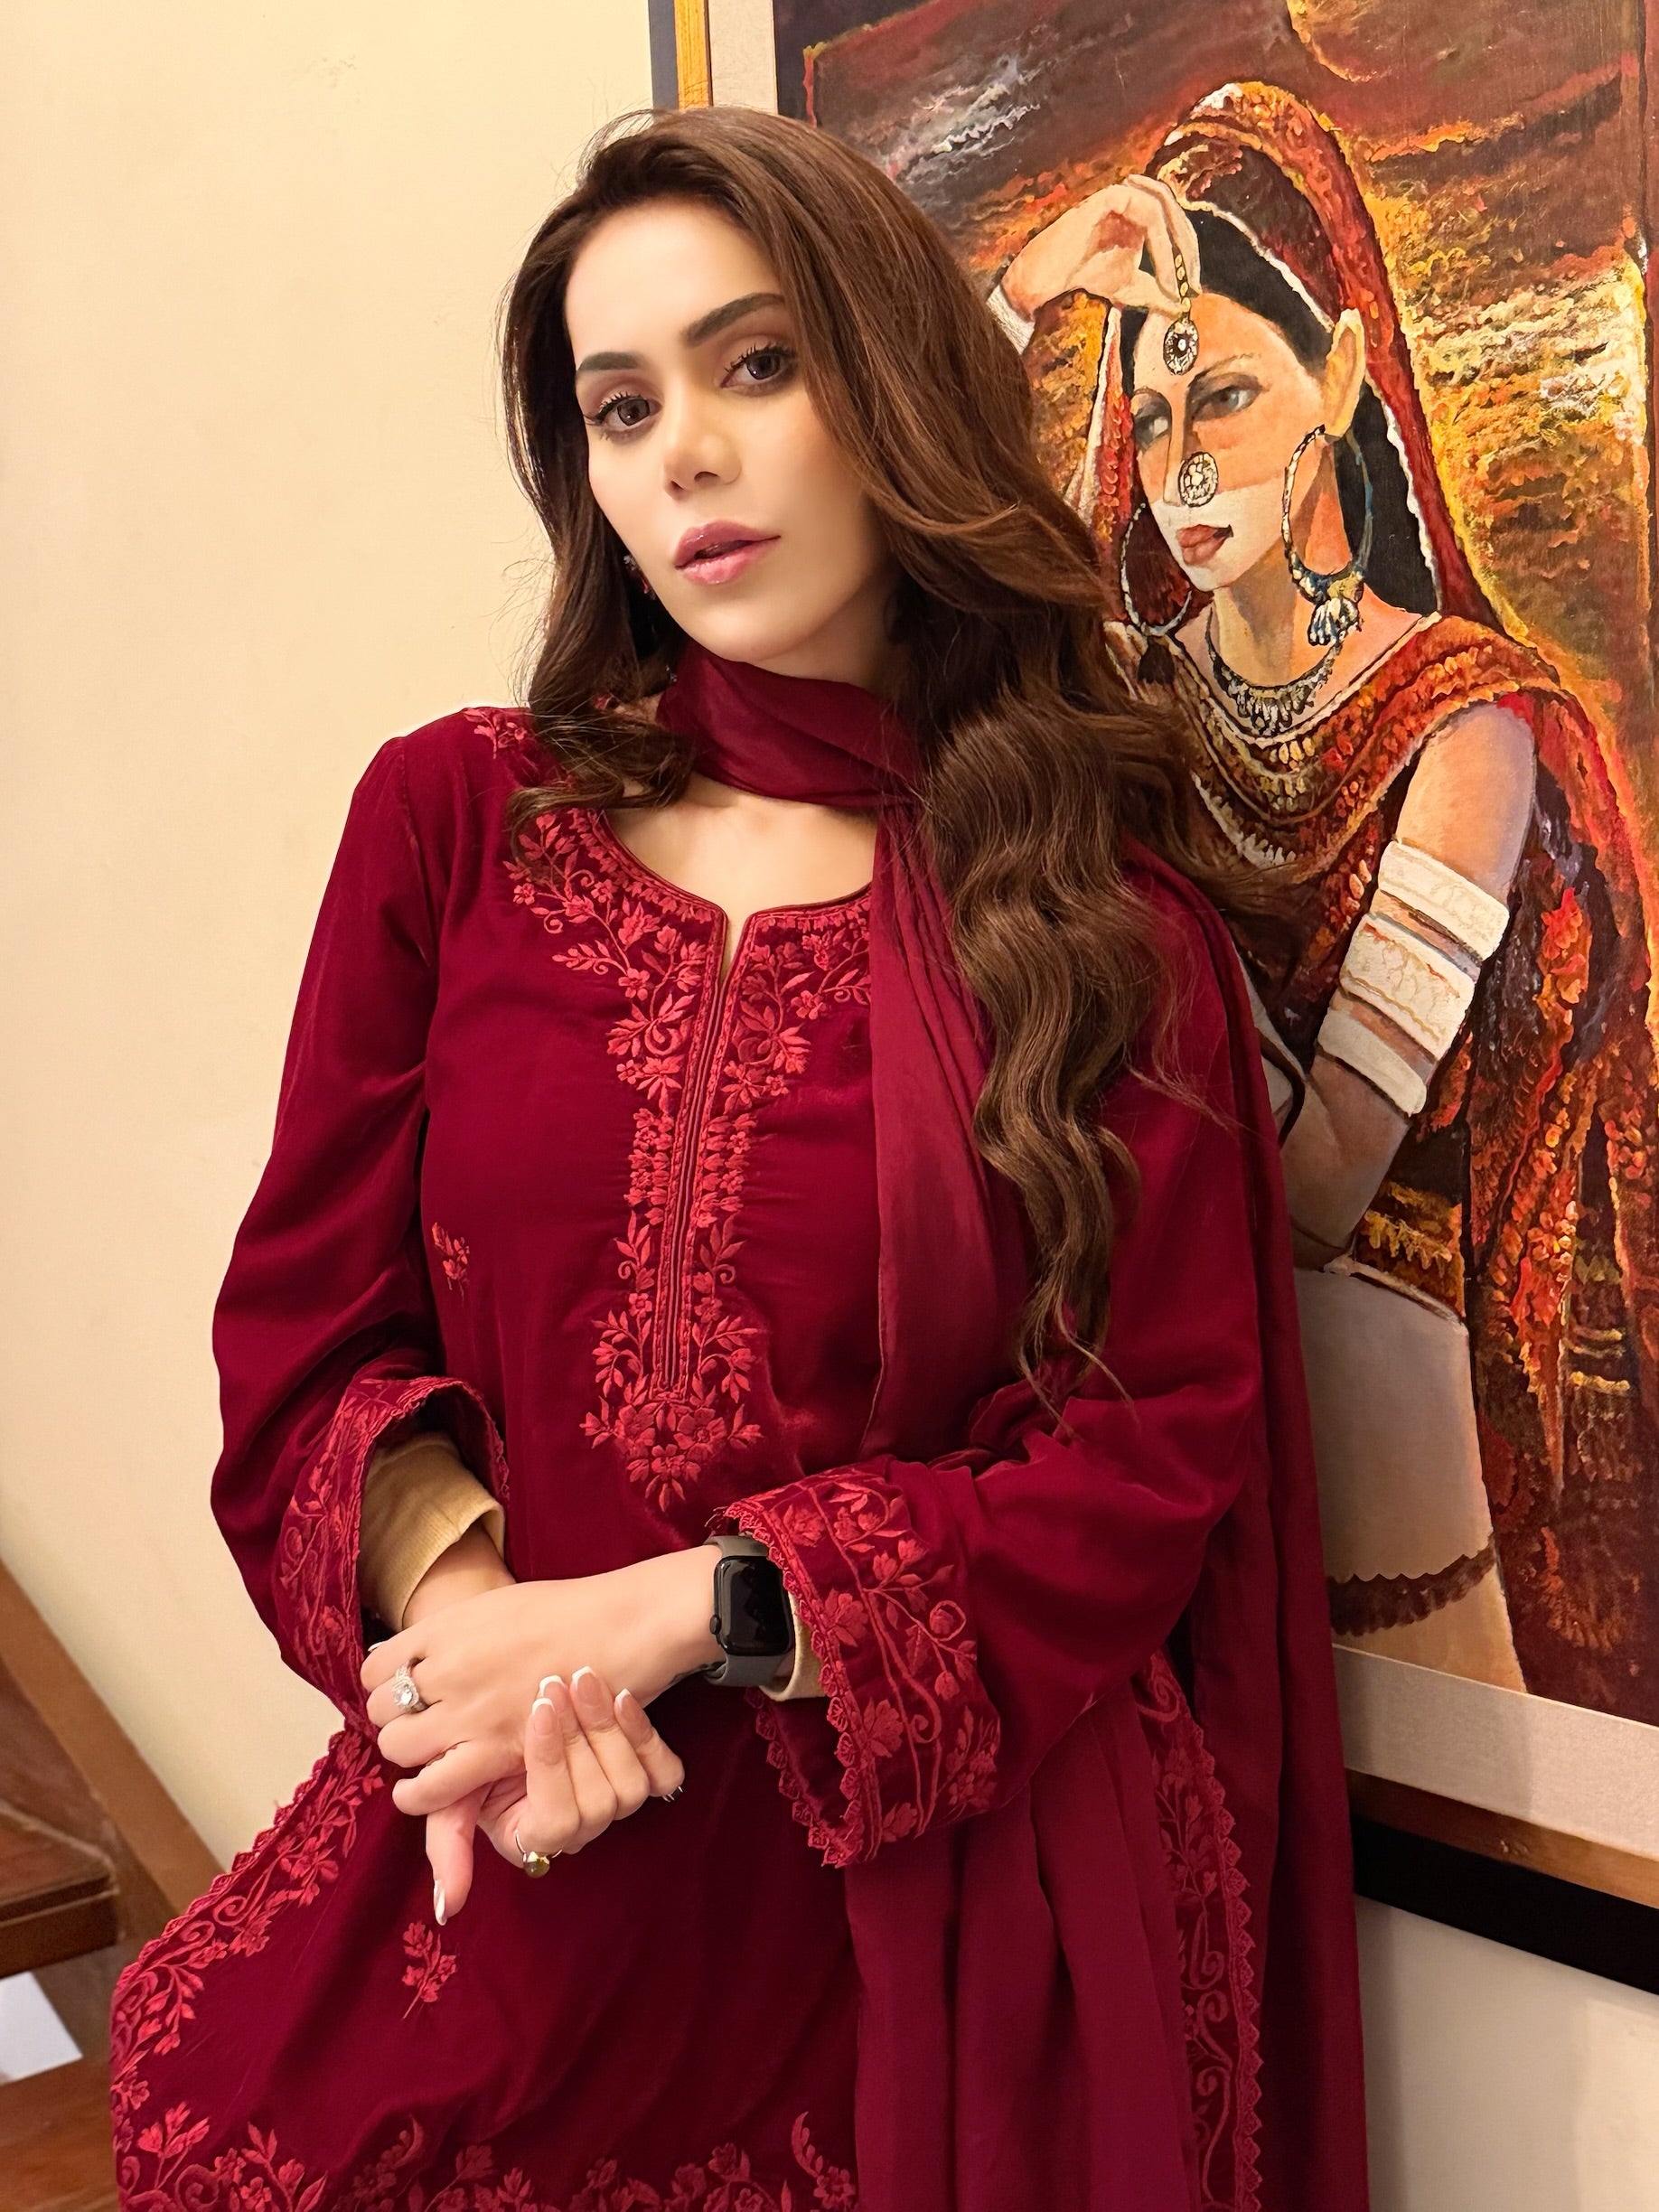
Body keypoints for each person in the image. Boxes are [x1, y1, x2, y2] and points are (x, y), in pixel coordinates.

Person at [108, 104, 1365, 2211]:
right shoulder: (458, 829)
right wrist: (487, 1635)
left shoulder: (1089, 925)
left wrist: (687, 1610)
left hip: (923, 1928)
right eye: (621, 407)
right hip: (528, 1835)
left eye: (755, 364)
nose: (683, 452)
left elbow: (1150, 1451)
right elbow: (305, 1337)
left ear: (897, 388)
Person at [989, 80, 1659, 1714]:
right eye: (1151, 414)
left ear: (1344, 374)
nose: (1178, 465)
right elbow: (906, 603)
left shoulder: (1467, 725)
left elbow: (1328, 1184)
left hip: (1374, 1454)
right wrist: (1019, 295)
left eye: (1223, 395)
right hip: (1133, 1445)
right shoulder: (1130, 684)